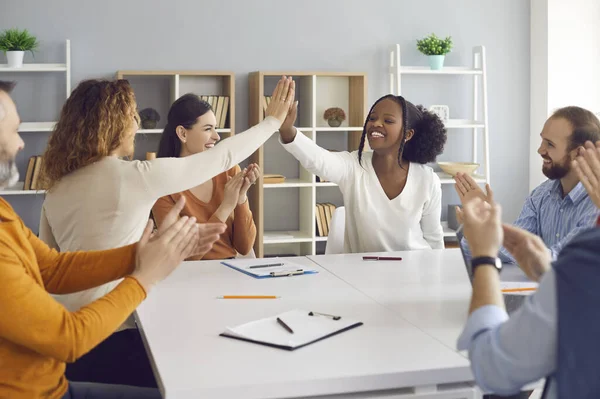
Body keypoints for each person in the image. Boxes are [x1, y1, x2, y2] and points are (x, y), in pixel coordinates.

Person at [38, 76, 294, 386]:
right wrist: (271, 122)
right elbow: (221, 157)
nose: (136, 123)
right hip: (116, 333)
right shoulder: (133, 177)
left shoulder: (56, 189)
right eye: (131, 114)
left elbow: (50, 271)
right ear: (112, 123)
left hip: (66, 339)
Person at [0, 79, 226, 399]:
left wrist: (147, 253)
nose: (21, 144)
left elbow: (52, 268)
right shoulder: (134, 177)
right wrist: (144, 276)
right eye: (13, 130)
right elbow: (68, 337)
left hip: (58, 379)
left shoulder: (9, 210)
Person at [456, 140, 600, 398]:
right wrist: (547, 273)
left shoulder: (587, 260)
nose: (540, 149)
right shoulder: (542, 194)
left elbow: (491, 368)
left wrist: (484, 260)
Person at [278, 94, 447, 253]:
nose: (376, 124)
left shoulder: (427, 179)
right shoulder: (354, 167)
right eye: (372, 118)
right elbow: (318, 160)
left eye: (388, 120)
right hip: (361, 273)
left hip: (414, 272)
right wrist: (287, 131)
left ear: (408, 134)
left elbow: (434, 239)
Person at [455, 106, 600, 263]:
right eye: (542, 140)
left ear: (578, 153)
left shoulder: (595, 205)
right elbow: (507, 252)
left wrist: (491, 230)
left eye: (550, 144)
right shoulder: (540, 195)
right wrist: (479, 229)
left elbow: (562, 261)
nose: (540, 150)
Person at [152, 94, 258, 260]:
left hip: (230, 272)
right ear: (182, 133)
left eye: (215, 128)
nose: (217, 136)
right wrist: (225, 206)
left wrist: (241, 198)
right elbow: (183, 256)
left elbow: (244, 248)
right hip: (186, 276)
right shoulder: (163, 186)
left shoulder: (228, 170)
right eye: (208, 129)